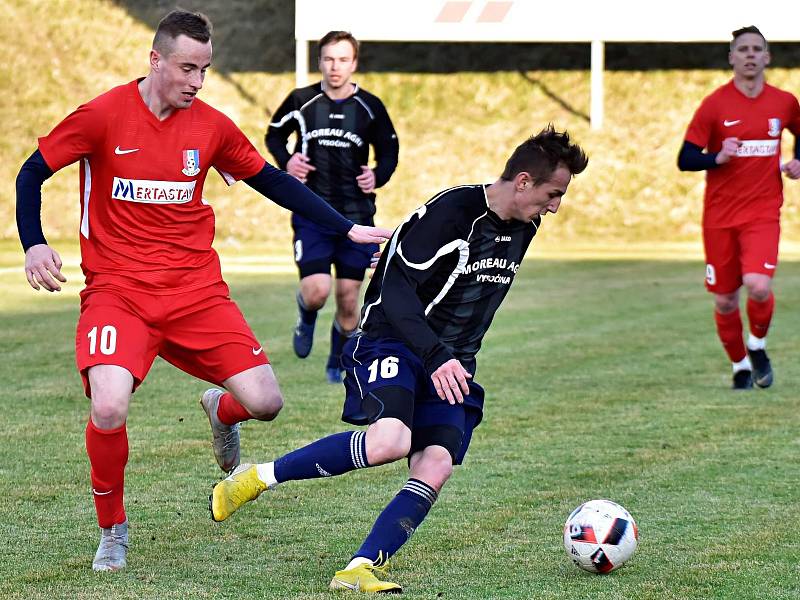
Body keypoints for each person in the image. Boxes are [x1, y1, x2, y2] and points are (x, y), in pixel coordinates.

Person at [14, 10, 391, 573]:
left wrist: (346, 227)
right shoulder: (102, 116)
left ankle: (221, 409)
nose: (196, 81)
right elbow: (30, 174)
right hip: (119, 292)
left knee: (267, 403)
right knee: (110, 406)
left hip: (195, 291)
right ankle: (113, 530)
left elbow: (273, 180)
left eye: (205, 70)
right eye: (187, 68)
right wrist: (34, 243)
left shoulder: (210, 126)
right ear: (156, 60)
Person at [210, 126, 588, 593]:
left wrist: (449, 354)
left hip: (451, 361)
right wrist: (433, 353)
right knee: (390, 439)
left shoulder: (525, 225)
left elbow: (438, 275)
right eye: (554, 193)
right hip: (393, 341)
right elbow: (395, 292)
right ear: (525, 181)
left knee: (436, 463)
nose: (555, 206)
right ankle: (259, 477)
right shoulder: (453, 212)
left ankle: (360, 567)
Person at [266, 31, 399, 384]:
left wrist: (378, 175)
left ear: (353, 64)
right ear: (319, 61)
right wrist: (287, 161)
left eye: (342, 59)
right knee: (317, 291)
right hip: (312, 213)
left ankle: (338, 361)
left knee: (347, 299)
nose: (334, 66)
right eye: (328, 58)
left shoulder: (370, 107)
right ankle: (306, 316)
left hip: (357, 214)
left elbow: (389, 152)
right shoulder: (301, 100)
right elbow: (274, 135)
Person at [678, 25, 800, 390]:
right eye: (742, 49)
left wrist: (798, 161)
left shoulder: (784, 102)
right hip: (718, 218)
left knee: (758, 286)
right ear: (732, 57)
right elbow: (685, 158)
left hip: (763, 212)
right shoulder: (715, 104)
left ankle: (757, 346)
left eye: (756, 49)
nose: (750, 54)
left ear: (767, 57)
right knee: (726, 300)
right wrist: (717, 156)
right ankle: (740, 367)